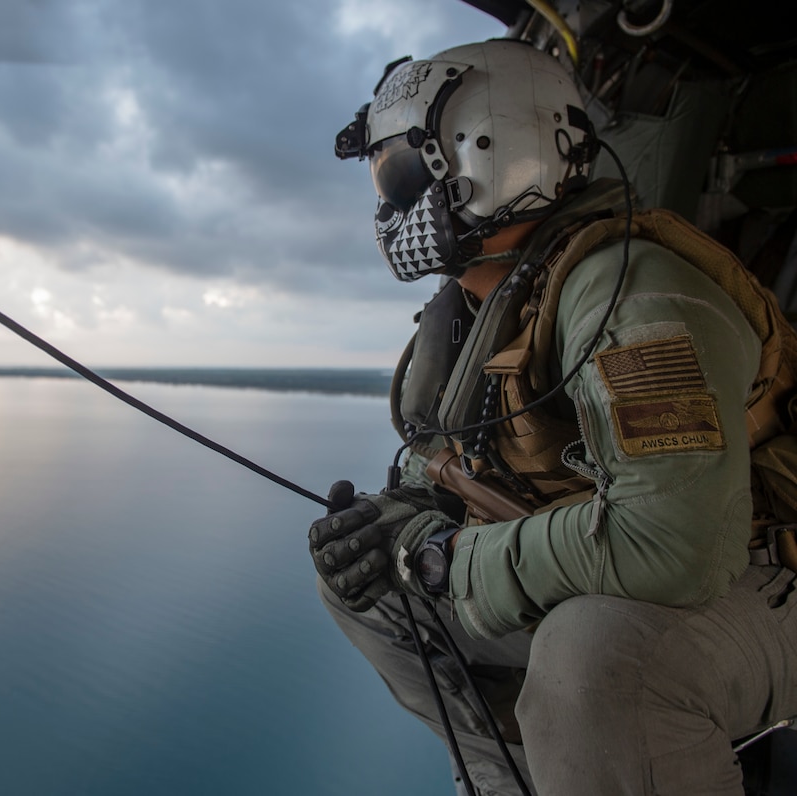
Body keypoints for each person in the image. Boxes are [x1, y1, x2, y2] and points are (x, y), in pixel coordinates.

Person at [309, 39, 797, 795]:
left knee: (595, 658)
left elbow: (677, 548)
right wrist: (391, 525)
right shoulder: (483, 306)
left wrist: (448, 558)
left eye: (402, 174)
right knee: (372, 590)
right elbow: (443, 457)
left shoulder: (635, 298)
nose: (390, 209)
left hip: (765, 578)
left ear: (494, 152)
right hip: (621, 573)